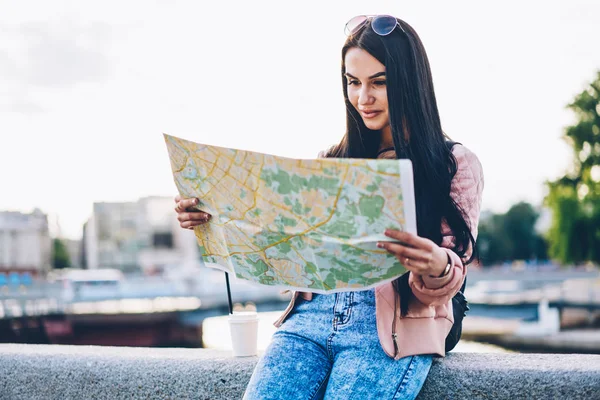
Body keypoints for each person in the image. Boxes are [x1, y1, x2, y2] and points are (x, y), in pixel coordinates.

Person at [174, 15, 484, 400]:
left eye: (379, 82)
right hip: (308, 320)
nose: (362, 98)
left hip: (389, 327)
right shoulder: (330, 160)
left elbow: (453, 268)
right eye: (352, 82)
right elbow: (293, 253)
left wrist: (435, 264)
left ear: (410, 82)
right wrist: (213, 219)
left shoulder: (452, 163)